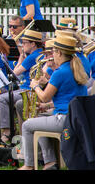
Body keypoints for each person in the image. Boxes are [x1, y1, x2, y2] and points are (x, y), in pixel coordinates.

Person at [18, 36, 88, 170]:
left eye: (53, 52)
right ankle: (49, 162)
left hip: (64, 119)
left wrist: (35, 86)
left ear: (59, 53)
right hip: (76, 118)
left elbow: (44, 97)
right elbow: (70, 98)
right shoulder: (75, 68)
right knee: (37, 120)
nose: (52, 55)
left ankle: (29, 165)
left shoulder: (60, 72)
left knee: (27, 125)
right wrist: (46, 106)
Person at [0, 29, 43, 142]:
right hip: (30, 89)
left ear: (33, 44)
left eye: (24, 42)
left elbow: (14, 74)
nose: (22, 45)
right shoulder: (40, 53)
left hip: (28, 90)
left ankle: (7, 132)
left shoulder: (32, 57)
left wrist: (20, 59)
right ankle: (13, 130)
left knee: (1, 99)